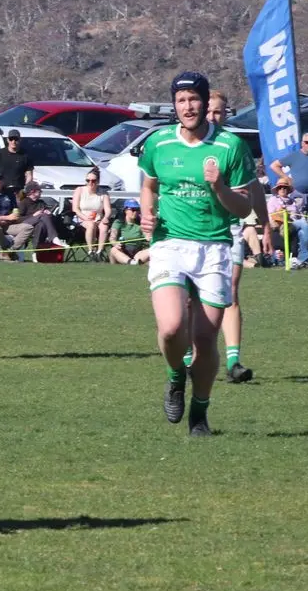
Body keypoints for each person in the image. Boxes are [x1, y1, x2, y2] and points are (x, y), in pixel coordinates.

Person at [139, 72, 254, 437]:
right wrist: (147, 212)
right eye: (181, 100)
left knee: (204, 340)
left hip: (214, 248)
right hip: (170, 244)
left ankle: (199, 413)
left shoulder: (230, 147)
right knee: (172, 327)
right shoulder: (158, 143)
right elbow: (148, 185)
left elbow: (242, 208)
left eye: (194, 99)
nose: (188, 107)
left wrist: (218, 186)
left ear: (206, 103)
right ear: (174, 105)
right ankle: (175, 377)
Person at [208, 89, 268, 384]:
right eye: (208, 111)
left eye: (217, 112)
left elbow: (253, 186)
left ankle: (233, 362)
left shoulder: (234, 145)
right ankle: (189, 357)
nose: (212, 117)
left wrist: (264, 223)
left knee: (230, 291)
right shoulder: (181, 143)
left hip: (230, 227)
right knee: (193, 297)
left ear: (226, 113)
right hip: (192, 230)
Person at [8, 181, 64, 253]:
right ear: (32, 192)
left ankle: (36, 251)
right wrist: (33, 215)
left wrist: (50, 214)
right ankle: (54, 238)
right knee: (42, 215)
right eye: (39, 191)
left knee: (41, 224)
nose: (41, 193)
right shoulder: (24, 203)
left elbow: (49, 220)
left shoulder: (41, 202)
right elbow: (18, 219)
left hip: (38, 226)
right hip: (25, 225)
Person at [71, 167, 112, 258]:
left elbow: (108, 209)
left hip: (98, 219)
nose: (90, 183)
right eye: (88, 180)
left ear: (98, 181)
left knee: (104, 226)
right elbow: (75, 209)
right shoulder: (79, 190)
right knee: (90, 225)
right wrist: (85, 218)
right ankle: (91, 250)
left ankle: (100, 251)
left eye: (93, 181)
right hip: (82, 218)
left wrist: (106, 217)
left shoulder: (103, 193)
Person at [0, 129, 33, 196]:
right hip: (2, 190)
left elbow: (29, 175)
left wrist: (25, 190)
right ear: (7, 140)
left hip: (19, 190)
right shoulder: (0, 153)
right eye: (11, 139)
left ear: (20, 140)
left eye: (16, 139)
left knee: (18, 206)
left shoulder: (25, 155)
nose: (13, 141)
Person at [109, 200, 151, 265]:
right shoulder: (118, 222)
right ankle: (131, 262)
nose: (135, 212)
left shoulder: (141, 224)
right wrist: (115, 243)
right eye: (133, 209)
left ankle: (134, 262)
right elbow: (112, 238)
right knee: (113, 250)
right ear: (125, 210)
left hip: (137, 252)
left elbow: (148, 237)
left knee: (151, 250)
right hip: (121, 251)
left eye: (137, 209)